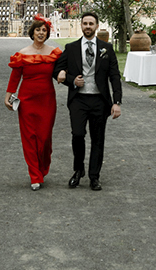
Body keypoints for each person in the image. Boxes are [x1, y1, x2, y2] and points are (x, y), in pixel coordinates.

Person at [52, 13, 123, 191]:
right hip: (79, 100)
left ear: (97, 26)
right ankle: (78, 170)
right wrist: (71, 80)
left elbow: (114, 76)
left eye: (91, 23)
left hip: (100, 100)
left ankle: (94, 176)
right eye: (85, 23)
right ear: (81, 26)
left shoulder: (106, 48)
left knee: (98, 139)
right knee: (77, 135)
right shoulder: (71, 48)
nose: (88, 26)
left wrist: (117, 102)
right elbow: (56, 70)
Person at [5, 17, 63, 190]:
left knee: (44, 137)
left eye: (44, 30)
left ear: (47, 33)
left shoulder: (54, 53)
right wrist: (8, 95)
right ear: (32, 32)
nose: (40, 33)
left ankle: (42, 167)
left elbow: (63, 69)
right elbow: (15, 77)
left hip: (47, 100)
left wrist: (64, 74)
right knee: (29, 138)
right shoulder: (22, 53)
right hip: (27, 100)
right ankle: (35, 176)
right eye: (38, 30)